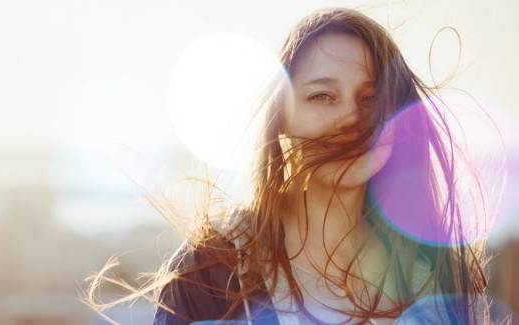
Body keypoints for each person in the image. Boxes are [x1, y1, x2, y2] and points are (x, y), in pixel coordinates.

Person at [88, 7, 499, 324]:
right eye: (322, 96)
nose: (351, 119)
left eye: (371, 99)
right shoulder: (215, 269)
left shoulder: (436, 277)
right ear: (282, 118)